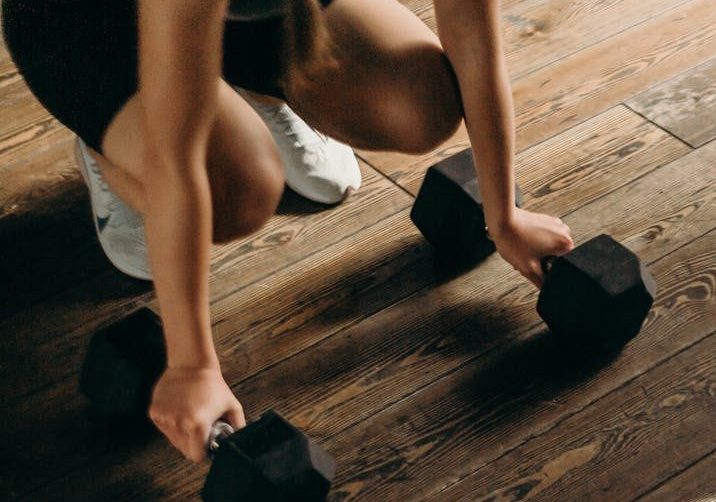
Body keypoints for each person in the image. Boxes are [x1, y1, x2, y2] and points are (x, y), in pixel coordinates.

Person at [2, 0, 574, 463]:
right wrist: (192, 365)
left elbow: (472, 41)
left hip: (244, 15)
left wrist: (504, 215)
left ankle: (258, 91)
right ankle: (108, 147)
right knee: (236, 192)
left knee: (419, 102)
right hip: (88, 24)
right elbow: (180, 158)